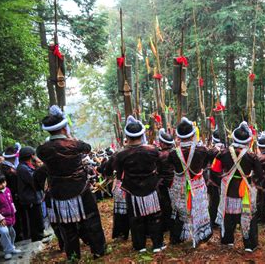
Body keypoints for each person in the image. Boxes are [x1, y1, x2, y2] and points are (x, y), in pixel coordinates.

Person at [36, 105, 105, 259]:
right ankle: (98, 250)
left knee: (67, 226)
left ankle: (73, 256)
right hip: (80, 189)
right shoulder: (75, 144)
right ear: (63, 127)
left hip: (58, 192)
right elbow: (87, 148)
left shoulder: (42, 150)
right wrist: (71, 138)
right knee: (92, 219)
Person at [112, 116, 165, 253]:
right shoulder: (153, 150)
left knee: (135, 218)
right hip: (151, 188)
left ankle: (139, 246)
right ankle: (157, 244)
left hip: (132, 190)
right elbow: (160, 166)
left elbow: (119, 172)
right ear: (142, 134)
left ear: (127, 136)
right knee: (154, 216)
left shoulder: (120, 155)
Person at [213, 121, 263, 252]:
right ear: (248, 140)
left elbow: (214, 170)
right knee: (249, 216)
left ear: (234, 137)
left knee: (228, 215)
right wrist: (254, 183)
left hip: (229, 189)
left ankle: (227, 240)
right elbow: (259, 174)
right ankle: (250, 244)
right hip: (245, 190)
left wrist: (221, 181)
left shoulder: (222, 153)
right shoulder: (252, 156)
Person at [168, 117, 214, 247]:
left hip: (180, 186)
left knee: (179, 211)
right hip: (197, 185)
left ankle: (177, 237)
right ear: (193, 134)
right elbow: (205, 164)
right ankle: (202, 236)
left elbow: (170, 166)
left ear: (178, 136)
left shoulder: (173, 153)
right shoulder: (202, 151)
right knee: (199, 209)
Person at [16, 146, 45, 242]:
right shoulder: (23, 168)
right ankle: (37, 236)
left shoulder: (27, 166)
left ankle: (41, 233)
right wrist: (39, 167)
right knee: (34, 218)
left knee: (38, 216)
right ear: (31, 155)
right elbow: (34, 180)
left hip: (34, 196)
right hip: (30, 198)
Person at [156, 128, 175, 242]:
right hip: (174, 183)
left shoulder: (159, 155)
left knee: (164, 205)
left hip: (163, 184)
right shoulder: (176, 153)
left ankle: (165, 226)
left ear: (162, 143)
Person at [0, 174, 22, 260]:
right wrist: (0, 218)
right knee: (4, 233)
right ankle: (7, 251)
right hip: (0, 220)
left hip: (10, 216)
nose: (3, 185)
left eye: (4, 182)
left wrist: (13, 212)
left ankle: (11, 247)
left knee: (12, 233)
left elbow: (11, 202)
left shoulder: (7, 190)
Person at [206, 129, 224, 227]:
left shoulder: (212, 151)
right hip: (224, 180)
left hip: (214, 180)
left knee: (214, 202)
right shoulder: (228, 149)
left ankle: (213, 221)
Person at [256, 131, 265, 224]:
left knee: (261, 200)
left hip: (261, 182)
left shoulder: (257, 158)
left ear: (259, 147)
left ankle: (261, 218)